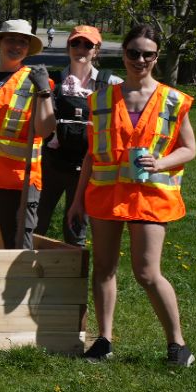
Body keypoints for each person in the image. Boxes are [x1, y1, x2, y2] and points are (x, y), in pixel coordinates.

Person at [67, 24, 196, 367]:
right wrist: (78, 199)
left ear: (156, 57)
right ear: (122, 54)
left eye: (148, 54)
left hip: (150, 198)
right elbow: (92, 154)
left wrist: (162, 162)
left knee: (147, 273)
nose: (140, 59)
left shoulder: (172, 99)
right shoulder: (102, 99)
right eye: (133, 53)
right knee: (104, 269)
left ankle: (178, 345)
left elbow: (189, 149)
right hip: (106, 196)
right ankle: (103, 341)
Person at [0, 19, 55, 249]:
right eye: (11, 39)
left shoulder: (36, 82)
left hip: (17, 181)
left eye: (23, 41)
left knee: (15, 245)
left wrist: (44, 91)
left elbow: (45, 130)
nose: (16, 45)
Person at [38, 25, 119, 247]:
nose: (80, 48)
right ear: (68, 47)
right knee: (36, 222)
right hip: (51, 163)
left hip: (88, 166)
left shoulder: (111, 84)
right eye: (75, 43)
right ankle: (27, 271)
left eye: (87, 44)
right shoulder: (52, 81)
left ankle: (75, 276)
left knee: (76, 226)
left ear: (96, 50)